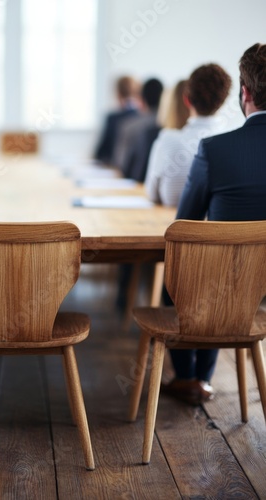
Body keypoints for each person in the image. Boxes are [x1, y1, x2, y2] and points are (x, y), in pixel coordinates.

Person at [165, 43, 266, 405]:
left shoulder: (214, 149)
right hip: (259, 293)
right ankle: (200, 379)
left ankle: (193, 377)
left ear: (245, 93)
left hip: (227, 291)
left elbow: (185, 227)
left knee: (180, 281)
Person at [145, 64, 231, 207]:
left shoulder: (167, 139)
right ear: (222, 101)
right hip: (220, 228)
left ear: (187, 100)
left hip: (170, 226)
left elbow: (152, 194)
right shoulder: (232, 142)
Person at [114, 78, 164, 182]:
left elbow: (121, 164)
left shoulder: (129, 126)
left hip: (135, 186)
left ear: (142, 99)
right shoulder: (171, 126)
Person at [92, 75, 141, 165]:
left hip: (114, 167)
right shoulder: (141, 116)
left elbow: (101, 152)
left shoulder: (113, 118)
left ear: (118, 93)